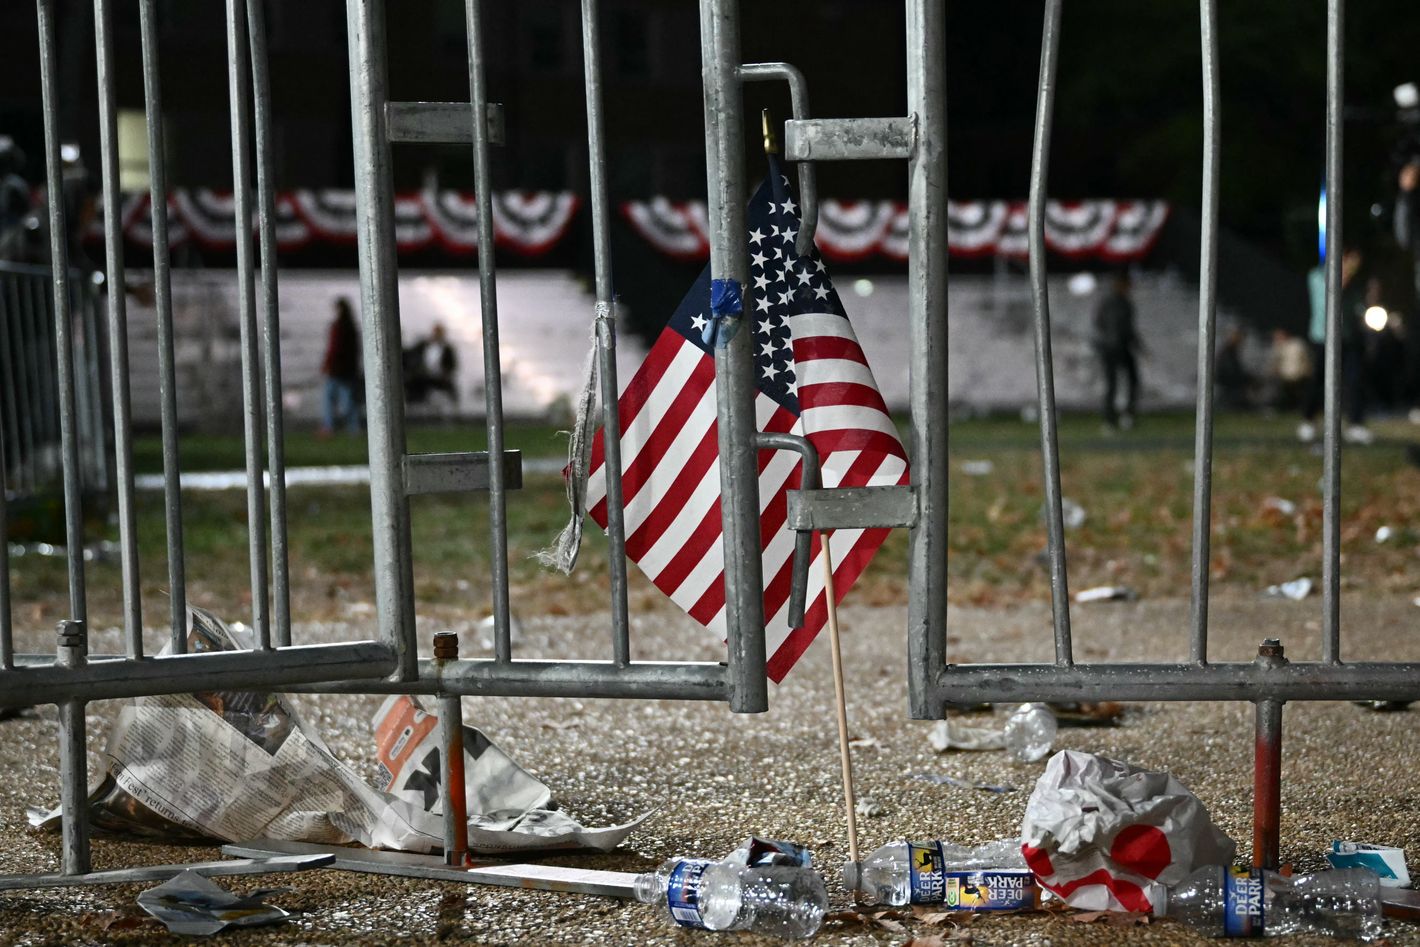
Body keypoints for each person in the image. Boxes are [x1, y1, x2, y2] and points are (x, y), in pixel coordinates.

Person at [1299, 247, 1371, 444]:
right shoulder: (1317, 276)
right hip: (1322, 336)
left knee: (1354, 380)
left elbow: (1359, 308)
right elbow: (1326, 299)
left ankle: (1355, 423)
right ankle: (1308, 420)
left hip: (1348, 337)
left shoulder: (1356, 283)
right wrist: (1343, 277)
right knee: (1318, 380)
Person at [1093, 272, 1141, 430]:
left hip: (1117, 347)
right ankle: (1112, 419)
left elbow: (1101, 323)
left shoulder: (1122, 303)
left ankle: (1120, 417)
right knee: (1114, 384)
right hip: (1113, 348)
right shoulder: (1114, 303)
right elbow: (1120, 327)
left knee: (1126, 382)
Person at [320, 297, 362, 435]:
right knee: (350, 399)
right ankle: (354, 427)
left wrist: (327, 364)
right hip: (349, 368)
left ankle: (329, 427)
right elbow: (356, 349)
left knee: (329, 398)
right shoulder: (352, 327)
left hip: (336, 369)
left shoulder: (337, 327)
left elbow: (333, 348)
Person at [404, 322, 459, 411]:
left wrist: (445, 373)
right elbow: (411, 355)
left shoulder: (448, 349)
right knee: (413, 383)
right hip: (423, 375)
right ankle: (413, 407)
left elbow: (452, 365)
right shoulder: (423, 345)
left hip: (439, 377)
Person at [1267, 328, 1311, 411]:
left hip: (1298, 374)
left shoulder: (1297, 344)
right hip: (1284, 376)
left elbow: (1305, 360)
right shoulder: (1278, 347)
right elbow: (1275, 363)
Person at [1215, 327, 1251, 411]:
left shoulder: (1231, 351)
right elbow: (1231, 370)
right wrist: (1246, 378)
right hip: (1229, 381)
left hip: (1230, 380)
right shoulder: (1228, 351)